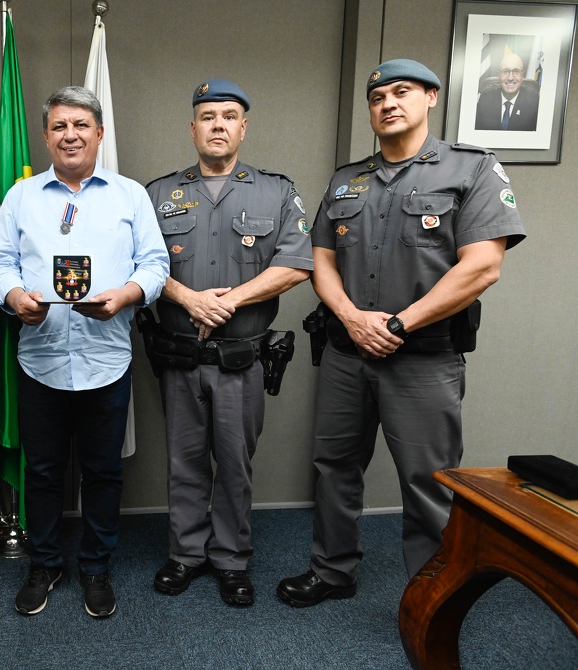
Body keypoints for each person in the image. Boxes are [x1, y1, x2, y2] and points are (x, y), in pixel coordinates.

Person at [277, 59, 526, 608]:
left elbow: (482, 265)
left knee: (428, 480)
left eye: (402, 91)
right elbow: (320, 256)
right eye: (378, 96)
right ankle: (332, 570)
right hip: (347, 352)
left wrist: (395, 324)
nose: (388, 103)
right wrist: (350, 317)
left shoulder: (471, 169)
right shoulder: (347, 179)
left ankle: (433, 594)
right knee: (334, 468)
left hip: (423, 357)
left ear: (431, 97)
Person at [0, 86, 169, 618]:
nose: (71, 135)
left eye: (81, 125)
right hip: (40, 359)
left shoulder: (129, 195)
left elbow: (155, 264)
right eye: (60, 126)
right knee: (41, 471)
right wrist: (15, 297)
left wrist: (128, 295)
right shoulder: (21, 197)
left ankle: (95, 566)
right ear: (46, 135)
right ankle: (44, 564)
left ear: (99, 133)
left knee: (104, 473)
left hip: (106, 359)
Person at [144, 79, 312, 607]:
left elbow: (296, 263)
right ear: (192, 127)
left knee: (235, 464)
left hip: (242, 360)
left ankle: (231, 560)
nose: (218, 124)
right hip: (178, 356)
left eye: (229, 115)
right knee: (184, 461)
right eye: (208, 116)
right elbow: (139, 262)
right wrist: (189, 299)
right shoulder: (157, 193)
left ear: (244, 127)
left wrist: (227, 301)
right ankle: (187, 555)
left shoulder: (276, 191)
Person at [475, 51, 539, 131]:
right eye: (505, 71)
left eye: (516, 71)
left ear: (522, 76)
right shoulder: (485, 99)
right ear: (499, 75)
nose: (510, 78)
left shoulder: (534, 102)